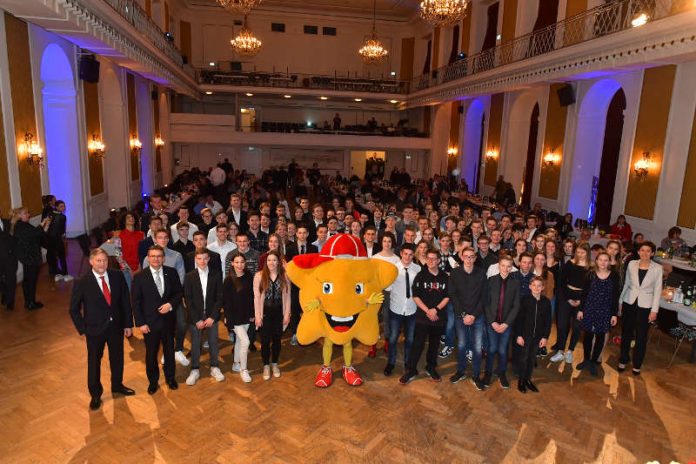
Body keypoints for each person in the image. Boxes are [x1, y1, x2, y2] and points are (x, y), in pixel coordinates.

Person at [69, 248, 135, 410]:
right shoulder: (82, 281)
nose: (102, 264)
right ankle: (96, 394)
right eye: (98, 260)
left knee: (117, 358)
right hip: (94, 330)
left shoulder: (117, 276)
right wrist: (83, 329)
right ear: (91, 262)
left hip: (116, 328)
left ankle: (117, 385)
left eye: (104, 260)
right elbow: (73, 309)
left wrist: (128, 324)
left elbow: (125, 301)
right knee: (94, 362)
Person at [131, 245, 183, 394]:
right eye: (153, 256)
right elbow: (136, 302)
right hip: (149, 324)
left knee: (169, 351)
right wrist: (140, 323)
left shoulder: (171, 273)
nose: (156, 259)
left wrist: (170, 304)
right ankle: (153, 381)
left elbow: (179, 293)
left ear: (163, 258)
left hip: (168, 321)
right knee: (151, 354)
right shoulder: (140, 277)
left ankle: (170, 378)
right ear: (148, 258)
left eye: (159, 256)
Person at [400, 249, 449, 384]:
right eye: (429, 258)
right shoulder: (420, 276)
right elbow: (415, 296)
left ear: (439, 261)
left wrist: (436, 310)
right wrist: (428, 310)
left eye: (434, 259)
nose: (431, 261)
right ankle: (411, 370)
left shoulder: (445, 276)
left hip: (438, 317)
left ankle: (431, 367)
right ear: (426, 260)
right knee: (417, 344)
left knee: (434, 345)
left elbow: (447, 296)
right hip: (423, 317)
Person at [618, 241, 662, 375]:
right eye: (642, 250)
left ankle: (637, 364)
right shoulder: (631, 264)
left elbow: (657, 290)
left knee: (641, 336)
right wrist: (620, 302)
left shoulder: (657, 268)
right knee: (626, 333)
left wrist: (654, 310)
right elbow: (626, 284)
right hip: (629, 302)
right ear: (638, 252)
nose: (645, 253)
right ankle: (623, 359)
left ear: (652, 253)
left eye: (648, 251)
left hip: (646, 306)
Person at [183, 248, 225, 385]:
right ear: (195, 259)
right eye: (199, 258)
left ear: (208, 259)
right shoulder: (189, 276)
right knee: (195, 344)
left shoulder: (216, 274)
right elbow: (188, 300)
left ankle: (215, 366)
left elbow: (219, 298)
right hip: (195, 317)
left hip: (211, 316)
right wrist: (197, 319)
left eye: (205, 258)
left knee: (213, 342)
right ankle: (195, 369)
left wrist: (213, 316)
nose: (202, 261)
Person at [448, 247, 488, 389]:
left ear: (475, 258)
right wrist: (464, 315)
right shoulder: (455, 273)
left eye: (472, 257)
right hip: (461, 316)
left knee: (477, 347)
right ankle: (461, 371)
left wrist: (474, 315)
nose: (469, 259)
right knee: (461, 345)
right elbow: (453, 295)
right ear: (462, 257)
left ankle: (476, 375)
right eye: (466, 256)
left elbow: (484, 297)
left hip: (477, 316)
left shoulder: (481, 273)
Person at [576, 252, 620, 377]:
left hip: (605, 310)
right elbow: (584, 293)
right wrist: (581, 309)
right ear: (596, 261)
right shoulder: (590, 274)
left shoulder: (614, 276)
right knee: (588, 335)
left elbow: (615, 296)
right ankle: (586, 360)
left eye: (606, 260)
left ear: (609, 262)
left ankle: (594, 362)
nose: (603, 262)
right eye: (600, 260)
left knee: (600, 336)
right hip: (590, 308)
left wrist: (614, 314)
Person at [483, 255, 520, 390]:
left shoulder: (515, 283)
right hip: (492, 322)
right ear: (499, 266)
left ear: (512, 268)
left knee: (503, 350)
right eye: (503, 265)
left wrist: (506, 324)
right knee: (491, 349)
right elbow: (486, 303)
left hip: (506, 323)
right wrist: (492, 322)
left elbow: (516, 306)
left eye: (508, 266)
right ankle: (487, 373)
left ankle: (502, 372)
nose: (505, 268)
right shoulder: (491, 281)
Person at [551, 243, 591, 364]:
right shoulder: (570, 263)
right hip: (566, 296)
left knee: (577, 326)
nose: (580, 255)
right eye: (578, 252)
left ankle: (570, 351)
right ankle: (560, 350)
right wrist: (568, 298)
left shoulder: (591, 267)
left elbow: (589, 288)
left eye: (582, 253)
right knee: (562, 324)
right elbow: (562, 282)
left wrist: (581, 301)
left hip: (581, 298)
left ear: (587, 253)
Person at [384, 243, 420, 377]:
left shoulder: (417, 269)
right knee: (393, 338)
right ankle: (391, 363)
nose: (408, 257)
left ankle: (408, 364)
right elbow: (387, 287)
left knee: (410, 339)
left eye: (411, 254)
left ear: (413, 255)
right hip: (396, 308)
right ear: (401, 254)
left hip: (412, 309)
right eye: (405, 254)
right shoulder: (393, 269)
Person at [254, 250, 291, 380]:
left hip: (279, 312)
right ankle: (265, 365)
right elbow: (256, 297)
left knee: (277, 340)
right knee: (264, 341)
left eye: (274, 260)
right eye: (269, 260)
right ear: (266, 262)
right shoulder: (259, 276)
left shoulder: (284, 276)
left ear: (279, 262)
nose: (271, 262)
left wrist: (287, 314)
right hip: (265, 313)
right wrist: (257, 316)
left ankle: (274, 363)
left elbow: (288, 297)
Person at [515, 277, 551, 393]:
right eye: (534, 285)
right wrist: (519, 335)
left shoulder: (546, 302)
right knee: (524, 358)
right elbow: (519, 319)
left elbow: (548, 321)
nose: (536, 288)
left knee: (531, 358)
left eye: (539, 285)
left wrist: (545, 337)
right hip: (525, 335)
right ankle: (521, 380)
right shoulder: (524, 300)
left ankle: (527, 379)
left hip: (538, 337)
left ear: (543, 288)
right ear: (530, 286)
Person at [223, 251, 255, 383]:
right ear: (232, 263)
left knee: (239, 342)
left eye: (242, 262)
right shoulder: (229, 280)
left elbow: (252, 297)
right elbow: (227, 302)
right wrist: (228, 320)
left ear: (245, 263)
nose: (239, 265)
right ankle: (244, 369)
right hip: (235, 317)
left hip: (246, 315)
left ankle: (236, 363)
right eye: (237, 262)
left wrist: (252, 314)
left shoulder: (248, 275)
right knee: (246, 342)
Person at [11, 207, 51, 310]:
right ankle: (30, 303)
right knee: (31, 281)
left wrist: (46, 225)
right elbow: (35, 233)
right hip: (30, 257)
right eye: (25, 213)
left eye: (28, 213)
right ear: (19, 215)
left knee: (28, 280)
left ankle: (29, 302)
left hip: (29, 257)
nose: (28, 215)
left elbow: (38, 234)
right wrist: (43, 223)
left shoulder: (23, 225)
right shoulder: (21, 226)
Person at [372, 231, 400, 358]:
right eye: (384, 241)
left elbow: (397, 278)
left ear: (392, 242)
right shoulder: (375, 258)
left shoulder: (396, 259)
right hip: (377, 292)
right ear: (381, 242)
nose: (387, 244)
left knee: (387, 318)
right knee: (374, 318)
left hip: (390, 292)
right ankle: (372, 343)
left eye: (389, 241)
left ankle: (387, 343)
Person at [46, 200, 71, 282]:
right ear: (56, 207)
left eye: (64, 206)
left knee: (53, 257)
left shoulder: (50, 214)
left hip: (50, 239)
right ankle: (65, 274)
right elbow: (62, 231)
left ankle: (56, 274)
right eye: (61, 206)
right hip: (57, 239)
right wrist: (64, 239)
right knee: (62, 256)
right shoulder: (62, 217)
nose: (63, 208)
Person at [0, 208, 18, 311]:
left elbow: (14, 238)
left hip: (11, 257)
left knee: (11, 280)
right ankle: (6, 293)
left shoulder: (8, 222)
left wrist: (13, 220)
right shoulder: (10, 223)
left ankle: (10, 301)